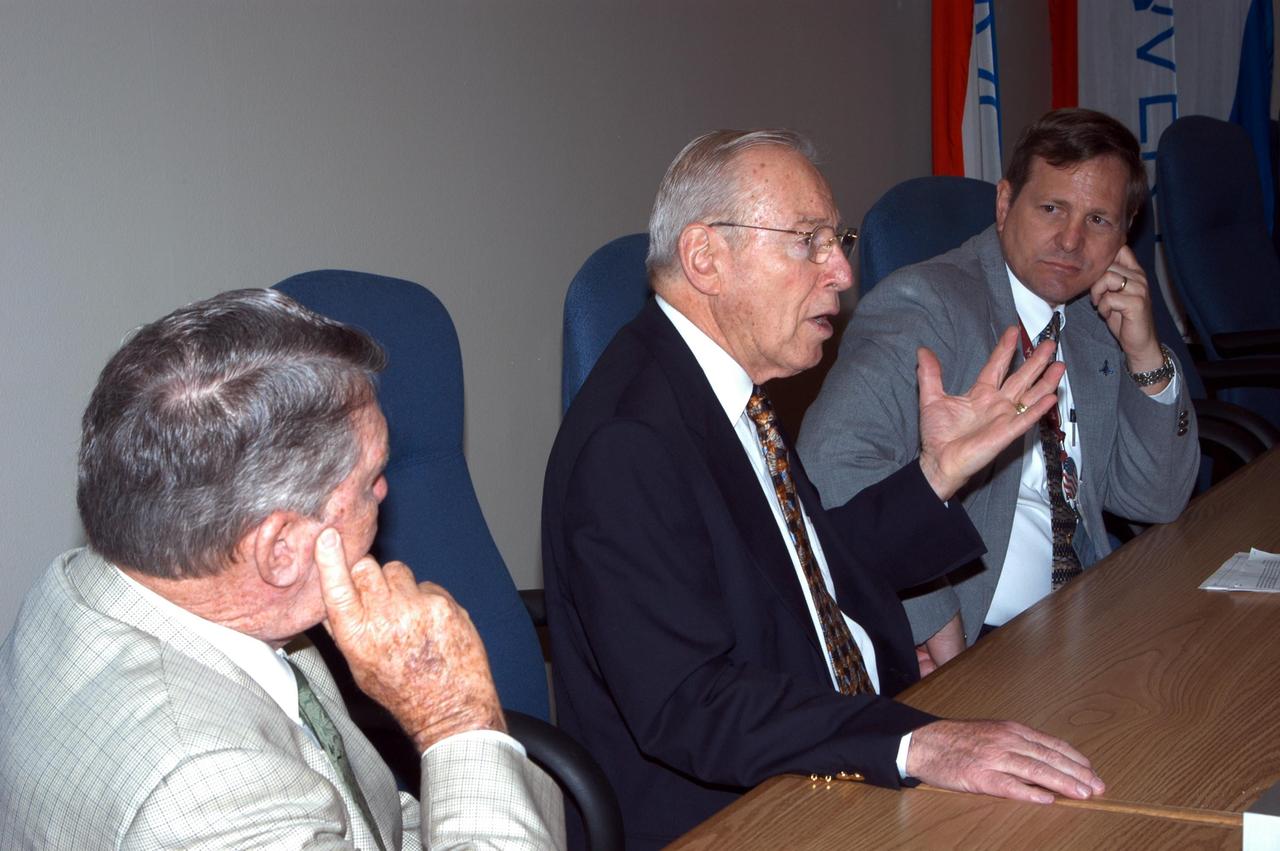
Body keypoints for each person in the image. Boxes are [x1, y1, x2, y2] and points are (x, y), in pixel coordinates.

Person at [542, 129, 1105, 849]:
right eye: (808, 241)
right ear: (705, 257)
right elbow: (691, 704)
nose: (841, 270)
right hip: (741, 813)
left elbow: (806, 565)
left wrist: (939, 472)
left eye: (835, 240)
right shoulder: (629, 442)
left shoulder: (724, 387)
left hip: (830, 744)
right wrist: (910, 744)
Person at [0, 289, 564, 849]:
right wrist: (454, 718)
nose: (385, 492)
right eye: (370, 482)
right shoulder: (206, 796)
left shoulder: (80, 585)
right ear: (280, 550)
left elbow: (368, 816)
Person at [799, 108, 1198, 671]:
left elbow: (1154, 501)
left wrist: (1145, 354)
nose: (1070, 241)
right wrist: (932, 616)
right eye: (1052, 208)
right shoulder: (925, 305)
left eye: (1099, 221)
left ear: (1125, 235)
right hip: (986, 640)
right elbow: (830, 462)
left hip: (1093, 615)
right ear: (1006, 203)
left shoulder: (1092, 319)